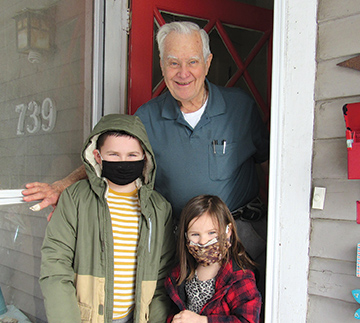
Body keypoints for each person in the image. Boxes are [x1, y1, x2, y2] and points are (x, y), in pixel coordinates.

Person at [24, 20, 269, 295]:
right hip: (181, 243)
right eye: (173, 63)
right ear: (162, 65)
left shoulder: (241, 107)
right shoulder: (147, 117)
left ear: (208, 62)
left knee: (239, 312)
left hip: (237, 236)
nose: (183, 73)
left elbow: (268, 164)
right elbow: (112, 157)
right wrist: (62, 187)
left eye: (192, 62)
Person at [39, 114, 175, 323]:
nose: (123, 162)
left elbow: (162, 278)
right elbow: (55, 267)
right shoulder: (75, 199)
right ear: (98, 156)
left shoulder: (159, 209)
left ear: (145, 157)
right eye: (113, 154)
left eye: (132, 155)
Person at [165, 194, 261, 323]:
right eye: (195, 234)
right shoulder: (181, 273)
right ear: (186, 236)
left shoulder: (239, 275)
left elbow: (248, 320)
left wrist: (203, 321)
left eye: (212, 233)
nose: (203, 241)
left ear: (228, 231)